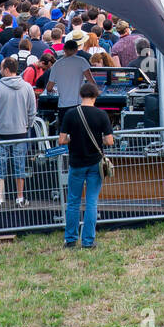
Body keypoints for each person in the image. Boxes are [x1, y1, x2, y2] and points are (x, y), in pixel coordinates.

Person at [58, 81, 114, 248]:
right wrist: (101, 139)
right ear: (95, 97)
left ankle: (70, 240)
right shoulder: (101, 115)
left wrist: (71, 138)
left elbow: (62, 139)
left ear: (81, 95)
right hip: (95, 163)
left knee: (73, 202)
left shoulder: (70, 114)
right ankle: (88, 241)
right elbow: (109, 141)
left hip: (76, 162)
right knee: (91, 201)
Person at [0, 56, 37, 209]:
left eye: (1, 68)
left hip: (0, 133)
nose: (0, 71)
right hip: (20, 133)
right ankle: (20, 197)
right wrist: (27, 126)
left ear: (6, 70)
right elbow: (32, 111)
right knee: (19, 166)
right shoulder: (27, 87)